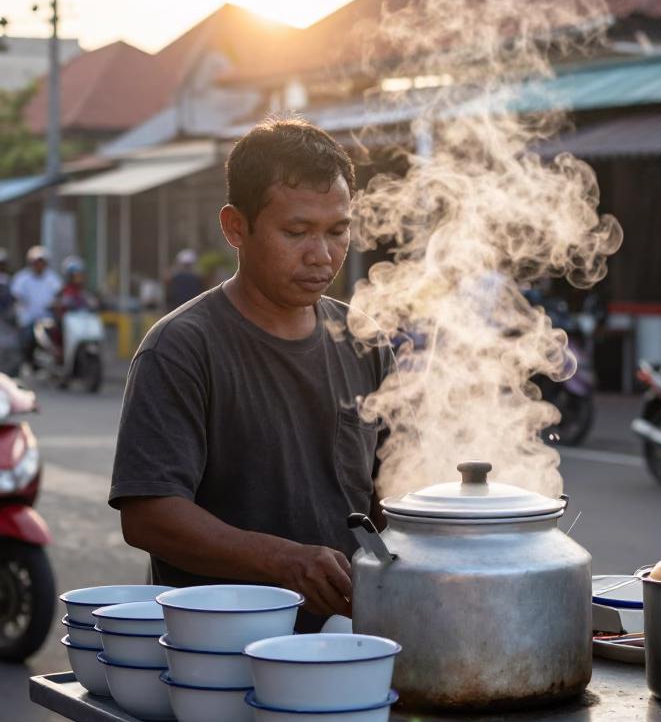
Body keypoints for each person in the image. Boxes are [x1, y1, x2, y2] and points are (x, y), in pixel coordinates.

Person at [110, 118, 395, 631]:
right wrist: (284, 561)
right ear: (235, 227)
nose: (323, 255)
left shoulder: (363, 340)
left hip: (349, 644)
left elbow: (392, 493)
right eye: (297, 232)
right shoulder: (181, 348)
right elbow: (149, 515)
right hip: (218, 651)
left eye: (338, 231)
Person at [10, 246, 61, 366]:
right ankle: (28, 364)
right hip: (29, 319)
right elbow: (17, 296)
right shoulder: (22, 278)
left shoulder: (51, 278)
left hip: (47, 319)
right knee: (27, 339)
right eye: (36, 262)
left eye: (41, 262)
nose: (39, 265)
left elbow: (59, 293)